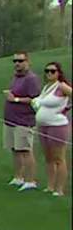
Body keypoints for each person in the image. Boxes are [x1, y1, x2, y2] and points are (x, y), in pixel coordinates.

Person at [4, 52, 43, 191]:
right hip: (11, 120)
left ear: (27, 62)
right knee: (15, 149)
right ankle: (18, 177)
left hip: (23, 120)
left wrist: (15, 99)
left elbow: (35, 99)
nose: (17, 63)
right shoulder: (16, 77)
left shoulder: (31, 79)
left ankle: (30, 180)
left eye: (20, 61)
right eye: (15, 61)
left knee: (25, 150)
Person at [32, 61, 71, 197]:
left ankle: (59, 189)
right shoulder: (47, 87)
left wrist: (66, 108)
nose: (49, 73)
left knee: (59, 158)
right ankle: (50, 186)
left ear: (58, 73)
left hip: (57, 126)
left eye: (52, 71)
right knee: (48, 157)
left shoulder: (61, 86)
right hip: (43, 126)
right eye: (47, 71)